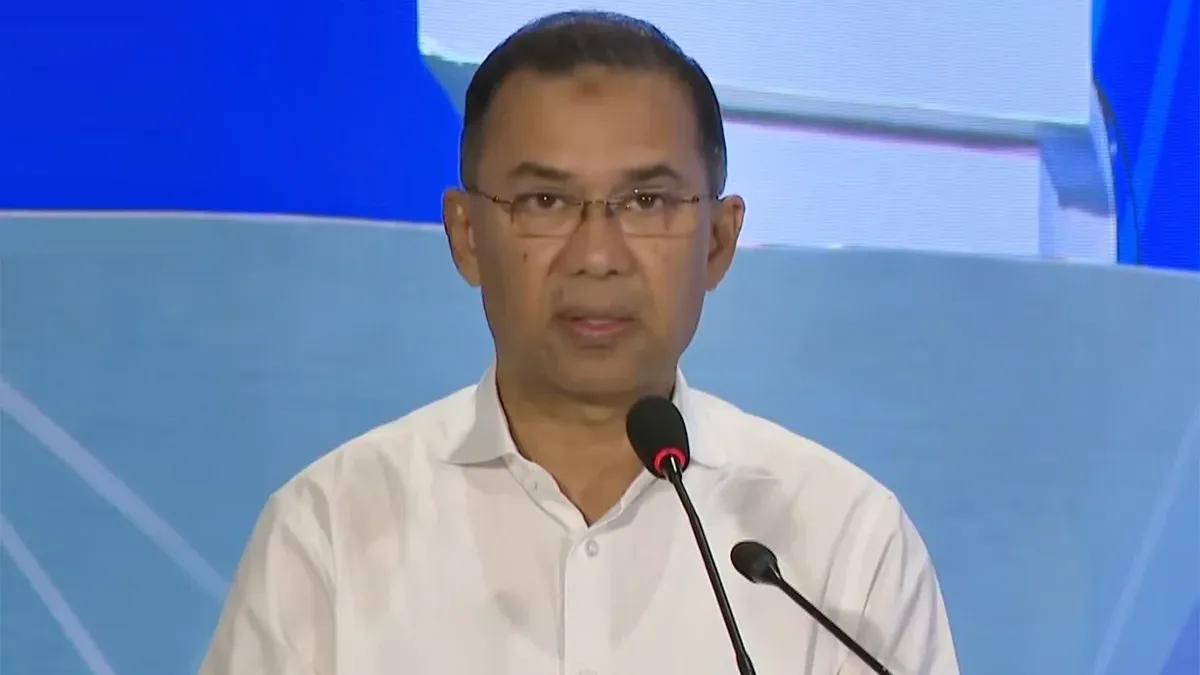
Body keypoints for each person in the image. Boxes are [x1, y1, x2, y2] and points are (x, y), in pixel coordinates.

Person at [199, 10, 960, 675]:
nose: (597, 254)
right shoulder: (329, 530)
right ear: (466, 235)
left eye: (647, 201)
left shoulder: (843, 542)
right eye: (545, 200)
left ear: (719, 241)